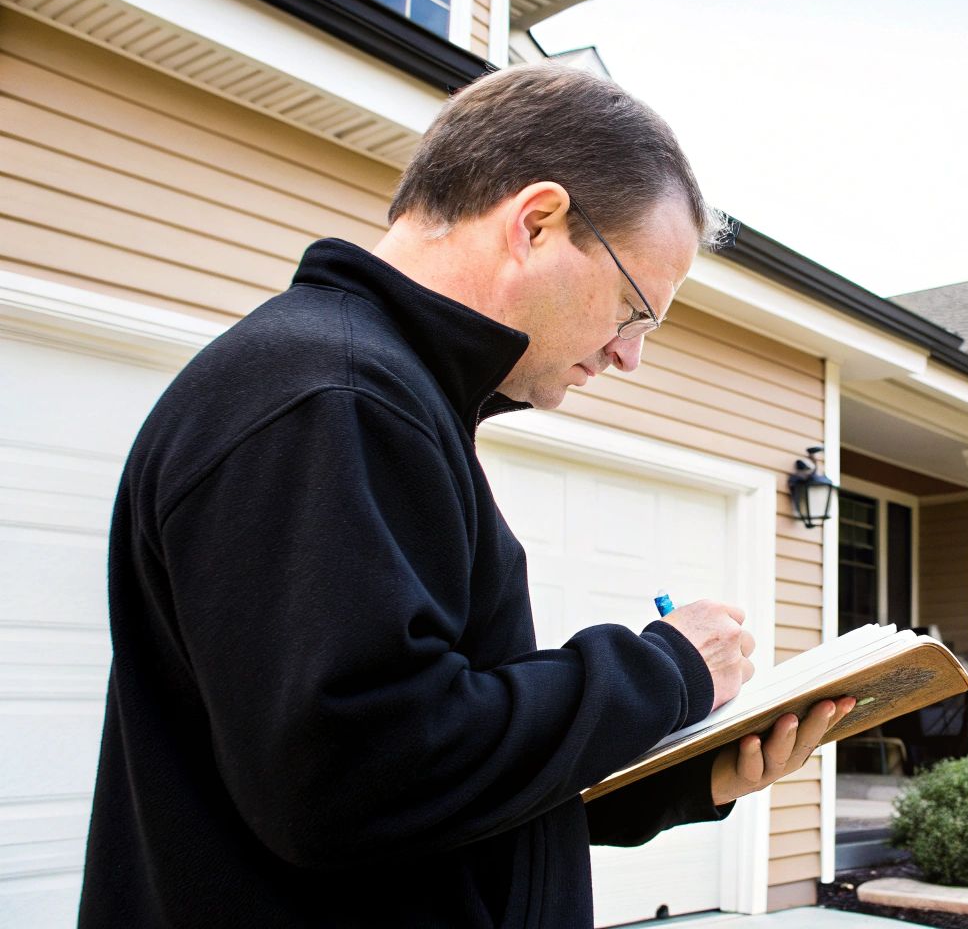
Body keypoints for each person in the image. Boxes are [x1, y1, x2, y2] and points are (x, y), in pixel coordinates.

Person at [77, 63, 853, 927]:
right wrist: (664, 671)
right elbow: (354, 778)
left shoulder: (378, 395)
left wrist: (688, 777)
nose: (629, 355)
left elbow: (434, 789)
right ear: (537, 222)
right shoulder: (333, 397)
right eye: (636, 311)